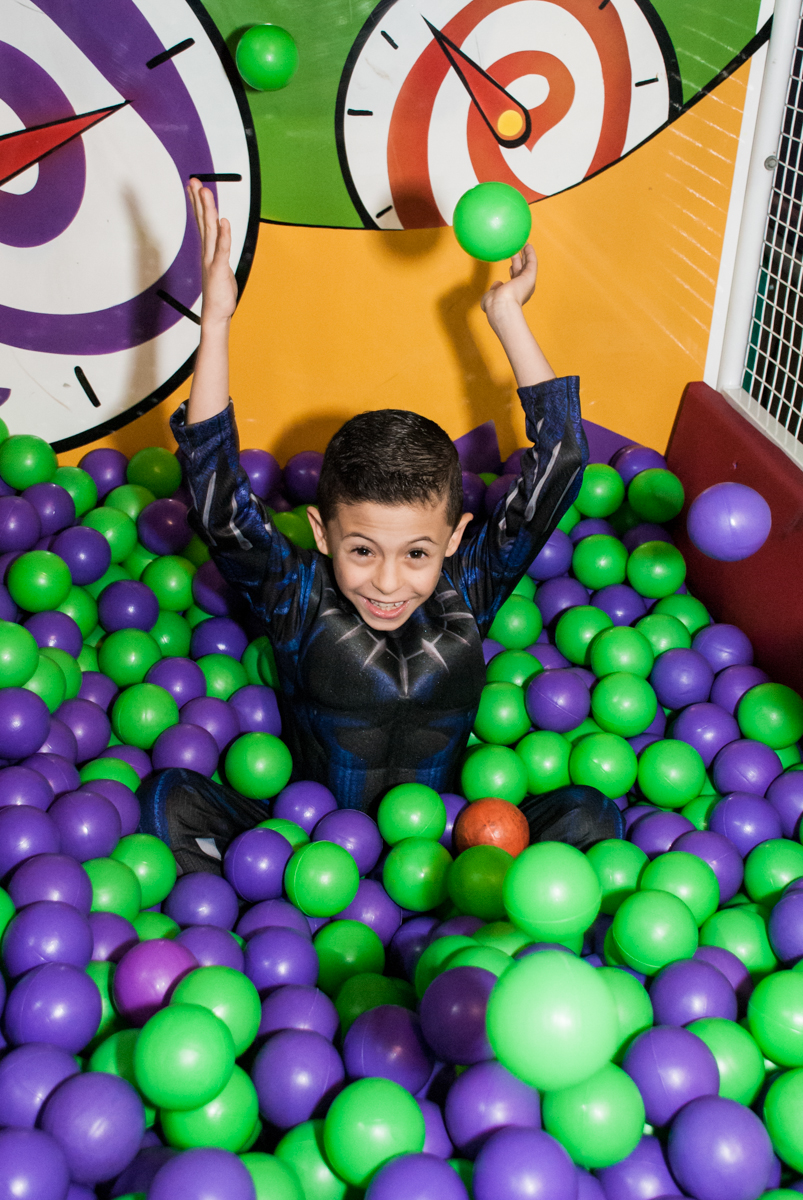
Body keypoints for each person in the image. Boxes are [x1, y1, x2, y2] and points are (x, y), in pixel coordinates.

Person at [138, 180, 619, 875]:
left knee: (592, 812)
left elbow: (563, 461)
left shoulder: (468, 589)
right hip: (306, 856)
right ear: (322, 533)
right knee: (168, 798)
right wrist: (214, 326)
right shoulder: (296, 596)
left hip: (450, 855)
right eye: (362, 550)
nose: (388, 581)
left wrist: (505, 313)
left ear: (453, 539)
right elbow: (220, 504)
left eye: (417, 553)